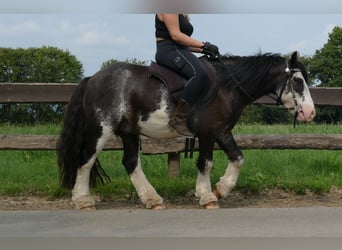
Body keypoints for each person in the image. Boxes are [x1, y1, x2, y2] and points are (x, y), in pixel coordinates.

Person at [155, 14, 219, 136]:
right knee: (199, 74)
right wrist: (203, 44)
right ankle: (179, 119)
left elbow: (183, 43)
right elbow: (175, 35)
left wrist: (204, 50)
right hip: (169, 50)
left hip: (180, 50)